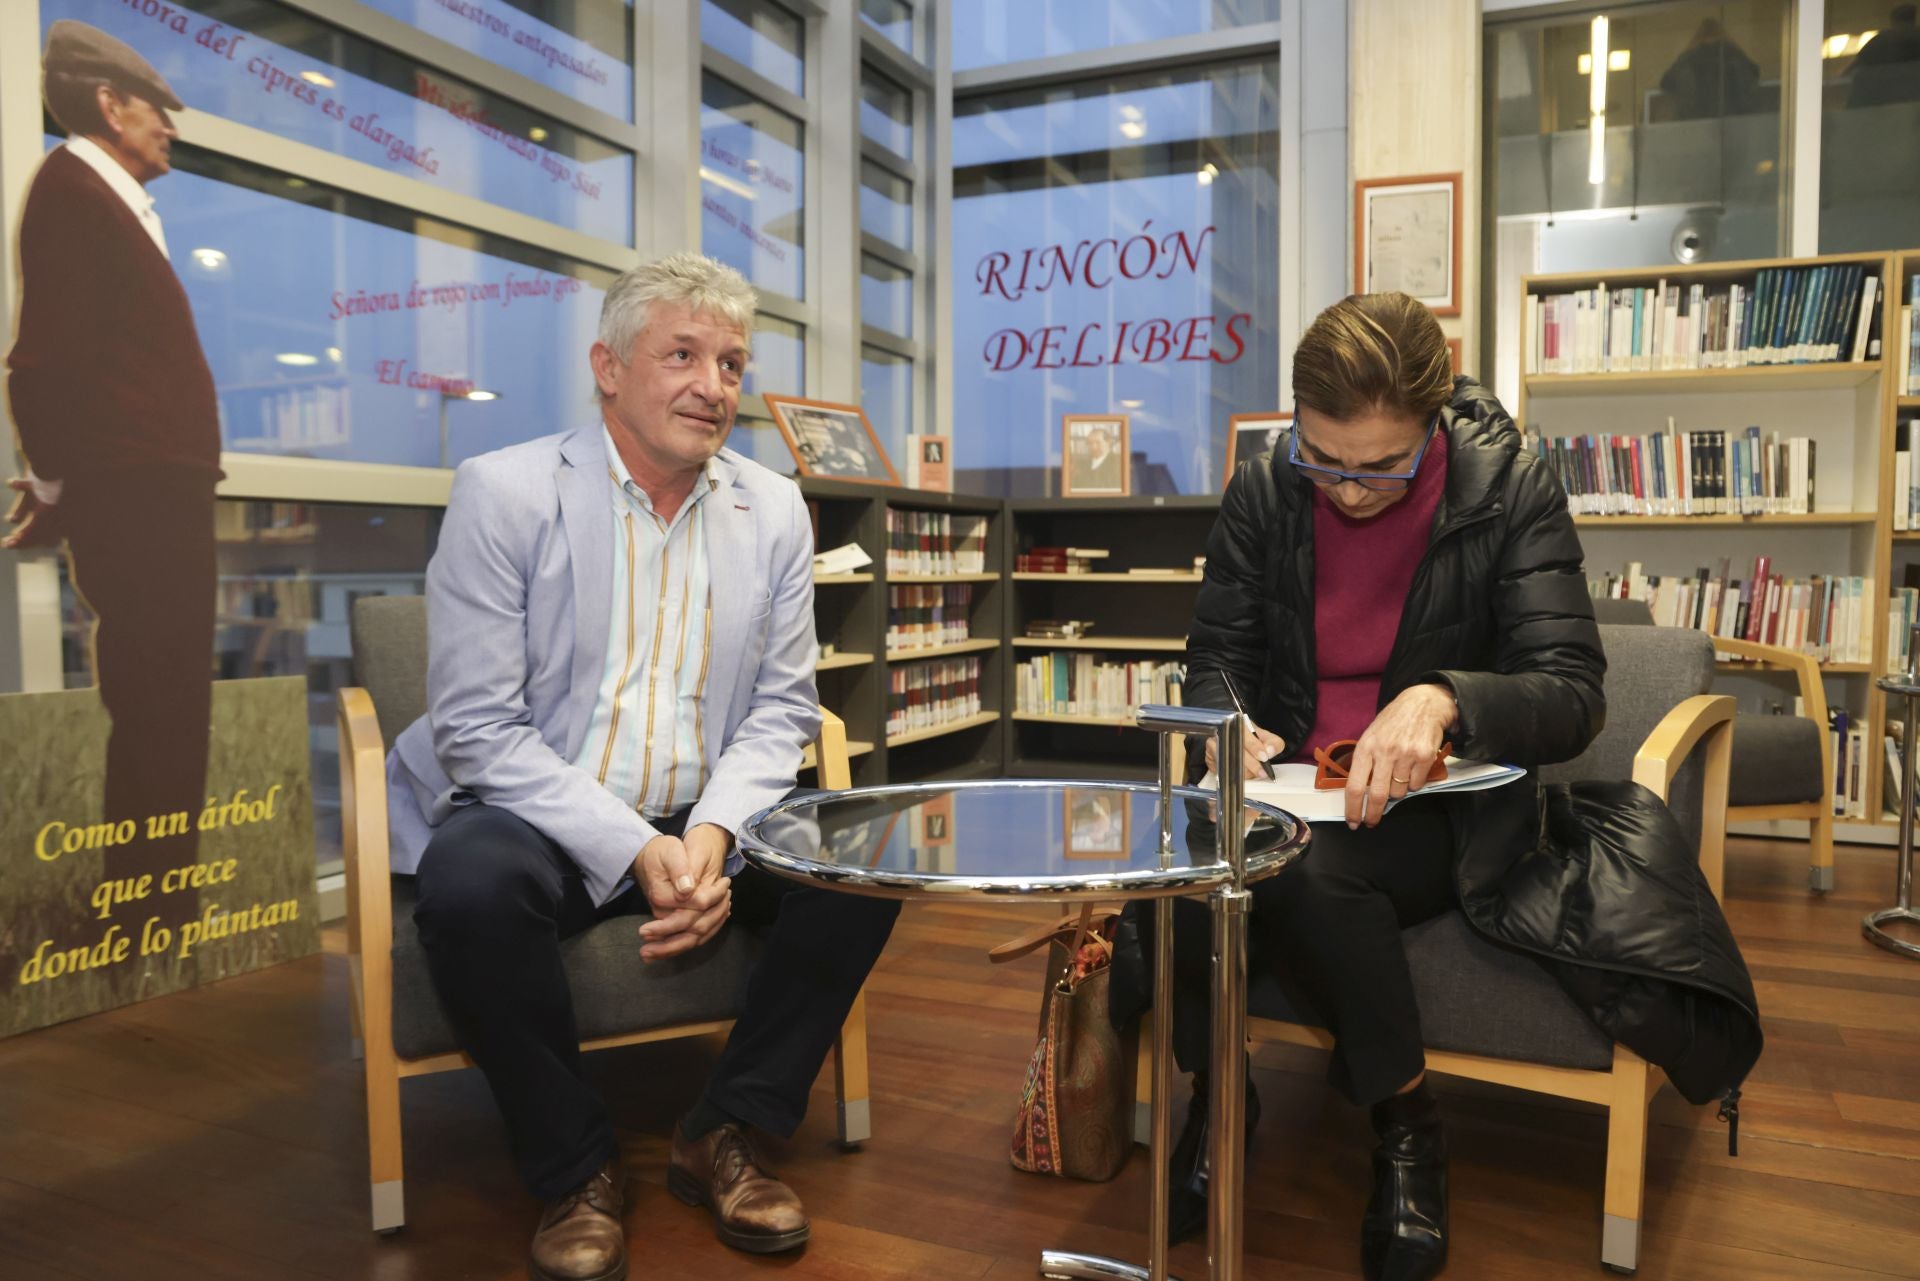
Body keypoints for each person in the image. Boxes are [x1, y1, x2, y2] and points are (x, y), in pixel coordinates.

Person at [383, 252, 899, 1281]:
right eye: (684, 354)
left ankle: (730, 1129)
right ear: (608, 367)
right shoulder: (506, 492)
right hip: (536, 809)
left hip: (705, 807)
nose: (714, 385)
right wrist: (633, 849)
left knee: (859, 861)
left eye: (732, 363)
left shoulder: (775, 511)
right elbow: (481, 730)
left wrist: (706, 837)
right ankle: (574, 1169)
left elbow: (781, 711)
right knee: (468, 886)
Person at [1166, 292, 1609, 1280]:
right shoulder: (1264, 489)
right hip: (1292, 789)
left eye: (1382, 466)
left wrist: (1446, 697)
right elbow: (1215, 654)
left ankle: (1409, 1131)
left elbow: (1574, 692)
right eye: (1322, 459)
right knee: (1189, 864)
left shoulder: (1510, 488)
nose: (1350, 490)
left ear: (1435, 419)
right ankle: (1216, 1100)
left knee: (1319, 876)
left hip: (1445, 807)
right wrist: (1221, 717)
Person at [5, 21, 219, 906]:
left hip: (146, 488)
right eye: (158, 109)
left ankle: (160, 899)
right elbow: (43, 362)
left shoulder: (100, 198)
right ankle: (147, 903)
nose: (171, 126)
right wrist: (58, 481)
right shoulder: (74, 192)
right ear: (107, 104)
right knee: (158, 697)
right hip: (136, 494)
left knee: (167, 696)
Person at [1657, 18, 1763, 120]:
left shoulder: (1688, 60)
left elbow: (1666, 82)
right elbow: (1753, 76)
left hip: (1694, 123)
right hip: (1734, 121)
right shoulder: (1734, 57)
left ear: (1699, 39)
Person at [1847, 5, 1920, 108]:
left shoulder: (1881, 40)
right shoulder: (1881, 40)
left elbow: (1853, 67)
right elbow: (1855, 65)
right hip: (1886, 103)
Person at [1079, 425, 1123, 491]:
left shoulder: (1118, 463)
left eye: (1098, 442)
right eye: (1090, 443)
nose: (1093, 447)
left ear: (1108, 442)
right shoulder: (1082, 464)